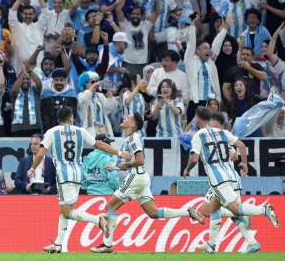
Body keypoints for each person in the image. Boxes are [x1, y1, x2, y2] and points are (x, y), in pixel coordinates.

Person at [90, 112, 204, 253]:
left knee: (110, 207)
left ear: (132, 124)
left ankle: (107, 245)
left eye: (128, 118)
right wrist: (114, 166)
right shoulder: (130, 138)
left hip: (135, 177)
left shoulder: (135, 138)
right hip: (142, 178)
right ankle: (187, 212)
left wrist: (126, 165)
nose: (124, 118)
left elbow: (140, 160)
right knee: (153, 213)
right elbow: (127, 161)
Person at [27, 106, 124, 253]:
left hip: (63, 175)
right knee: (63, 210)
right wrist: (118, 152)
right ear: (72, 118)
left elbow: (40, 154)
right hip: (78, 174)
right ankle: (58, 244)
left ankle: (98, 220)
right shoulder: (81, 131)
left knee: (67, 212)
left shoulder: (52, 132)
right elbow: (99, 144)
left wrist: (33, 169)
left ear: (58, 120)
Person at [184, 107, 279, 253]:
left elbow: (194, 157)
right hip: (233, 177)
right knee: (212, 209)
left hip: (219, 180)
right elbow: (240, 146)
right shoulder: (223, 133)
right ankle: (222, 243)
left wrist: (188, 169)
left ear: (197, 121)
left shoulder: (199, 135)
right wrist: (245, 164)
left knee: (232, 210)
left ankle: (264, 210)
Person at [199, 111, 259, 254]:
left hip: (224, 180)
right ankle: (251, 242)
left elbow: (233, 155)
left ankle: (212, 244)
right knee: (211, 211)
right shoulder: (217, 136)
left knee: (211, 210)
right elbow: (235, 156)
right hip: (222, 180)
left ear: (214, 123)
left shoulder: (220, 135)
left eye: (209, 122)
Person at [184, 14, 222, 124]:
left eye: (209, 49)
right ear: (197, 51)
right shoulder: (190, 62)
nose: (209, 51)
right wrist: (192, 24)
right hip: (195, 102)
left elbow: (217, 44)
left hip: (211, 103)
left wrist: (226, 27)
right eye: (205, 48)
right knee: (194, 132)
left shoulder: (211, 63)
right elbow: (191, 43)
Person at [9, 0, 49, 76]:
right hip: (19, 65)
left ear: (35, 14)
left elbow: (45, 12)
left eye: (30, 14)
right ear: (22, 14)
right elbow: (12, 12)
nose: (28, 16)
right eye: (25, 14)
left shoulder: (39, 27)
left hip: (37, 65)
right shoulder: (16, 27)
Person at [10, 60, 43, 137]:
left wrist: (29, 71)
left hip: (35, 128)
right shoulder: (15, 92)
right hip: (18, 129)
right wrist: (23, 74)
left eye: (27, 79)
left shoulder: (35, 90)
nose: (25, 81)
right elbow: (14, 90)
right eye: (23, 79)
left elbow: (39, 84)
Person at [77, 72, 115, 136]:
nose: (95, 84)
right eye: (92, 82)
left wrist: (109, 91)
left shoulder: (100, 96)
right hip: (89, 130)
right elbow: (86, 99)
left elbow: (110, 107)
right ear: (85, 83)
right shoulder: (81, 95)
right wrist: (95, 85)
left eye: (96, 81)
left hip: (103, 130)